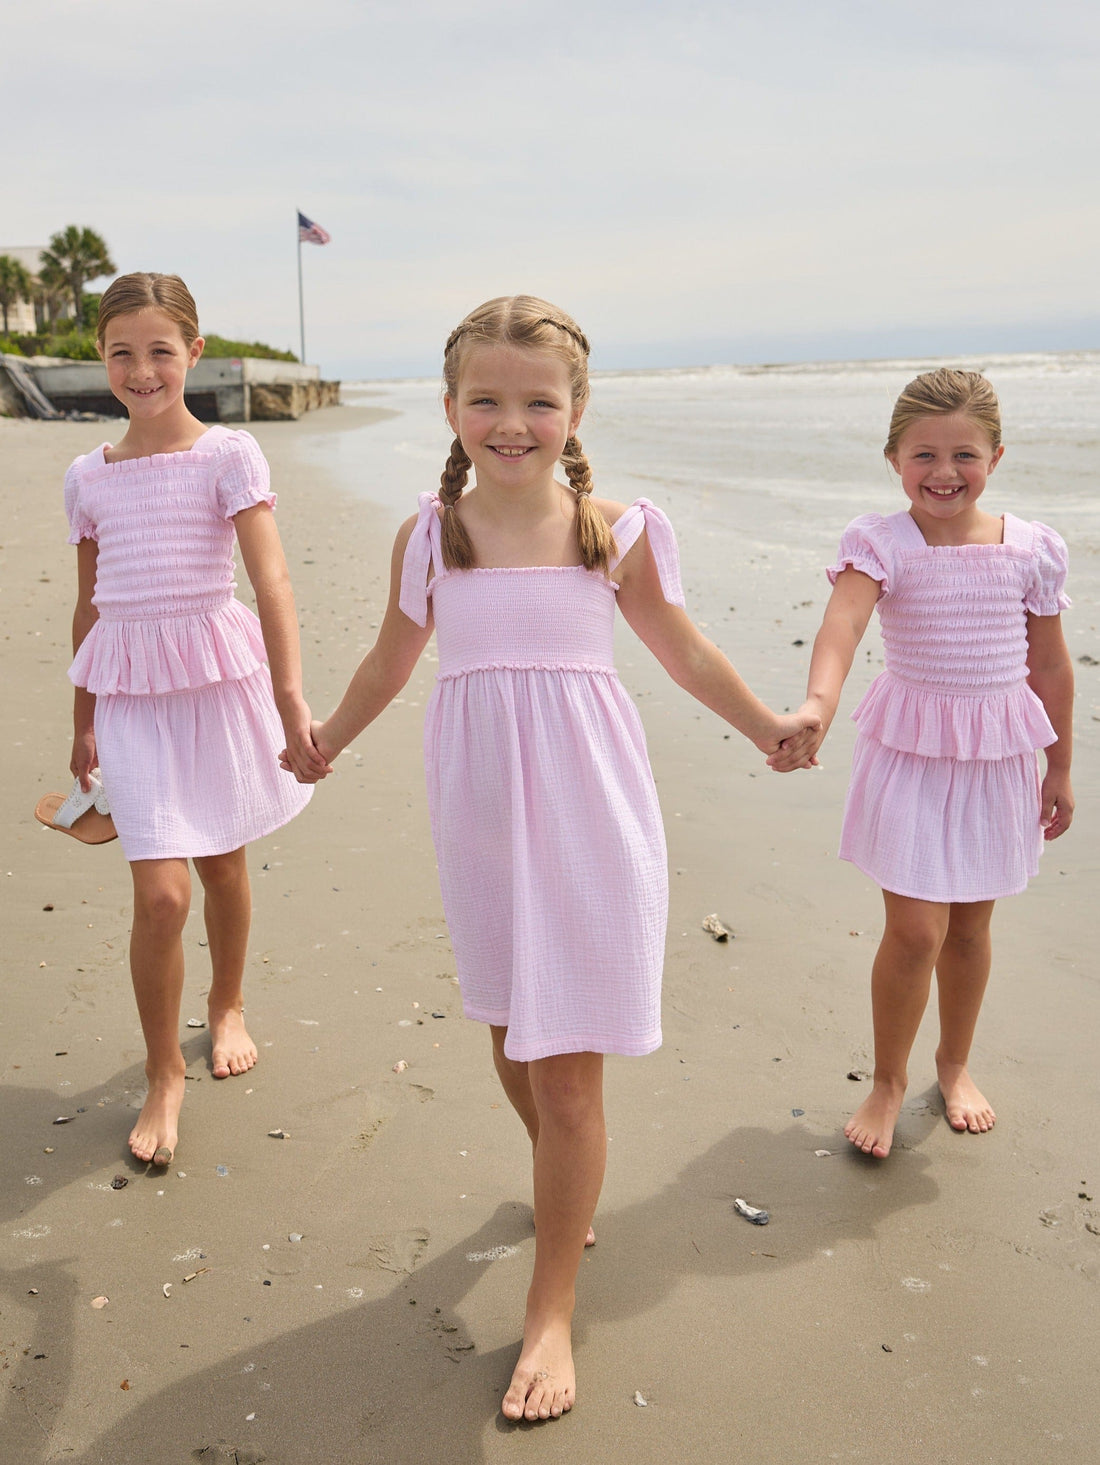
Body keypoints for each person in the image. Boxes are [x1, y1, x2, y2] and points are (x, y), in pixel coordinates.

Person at [287, 295, 821, 1422]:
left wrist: (768, 722)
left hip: (588, 811)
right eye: (486, 399)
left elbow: (682, 649)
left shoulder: (613, 529)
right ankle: (562, 1175)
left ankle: (548, 1311)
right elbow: (391, 660)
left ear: (575, 409)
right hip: (477, 812)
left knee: (567, 1065)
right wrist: (325, 738)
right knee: (508, 1035)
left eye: (537, 400)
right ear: (449, 409)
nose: (510, 421)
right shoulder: (430, 534)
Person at [770, 368, 1074, 1159]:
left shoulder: (1032, 550)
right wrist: (817, 706)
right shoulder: (881, 543)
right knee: (914, 931)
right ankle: (889, 1079)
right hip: (909, 752)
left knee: (970, 929)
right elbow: (842, 627)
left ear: (996, 457)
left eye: (964, 454)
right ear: (894, 459)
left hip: (997, 756)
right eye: (924, 455)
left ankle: (954, 1062)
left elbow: (1052, 666)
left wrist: (1061, 768)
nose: (945, 473)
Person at [63, 272, 324, 1167]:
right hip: (130, 694)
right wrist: (81, 719)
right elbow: (89, 606)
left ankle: (226, 1004)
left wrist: (291, 701)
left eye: (160, 351)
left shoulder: (229, 456)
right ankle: (163, 1068)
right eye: (121, 352)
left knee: (220, 863)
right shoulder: (87, 477)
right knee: (161, 892)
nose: (142, 369)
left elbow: (272, 581)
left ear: (193, 352)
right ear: (101, 357)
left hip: (217, 686)